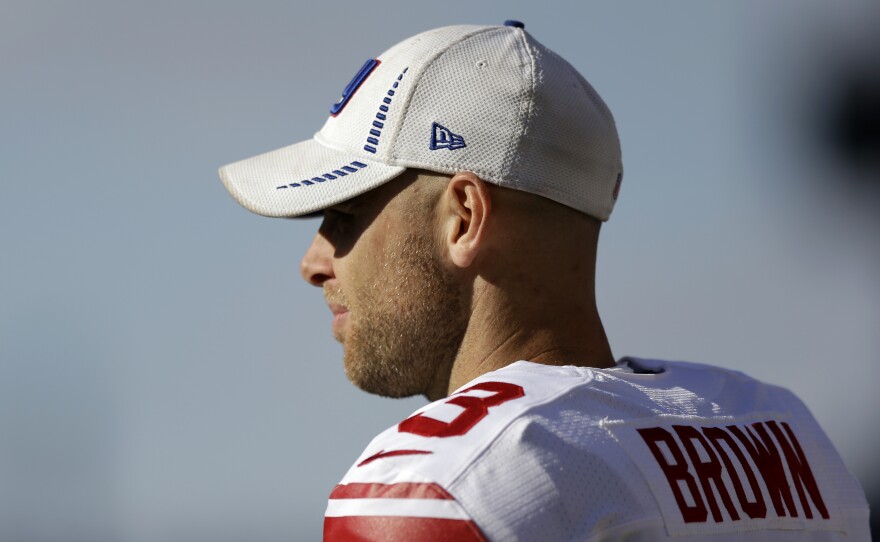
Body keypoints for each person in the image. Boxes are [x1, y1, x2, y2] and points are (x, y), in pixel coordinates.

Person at [219, 21, 870, 542]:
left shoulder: (436, 481)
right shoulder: (787, 438)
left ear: (465, 218)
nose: (315, 261)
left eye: (346, 215)